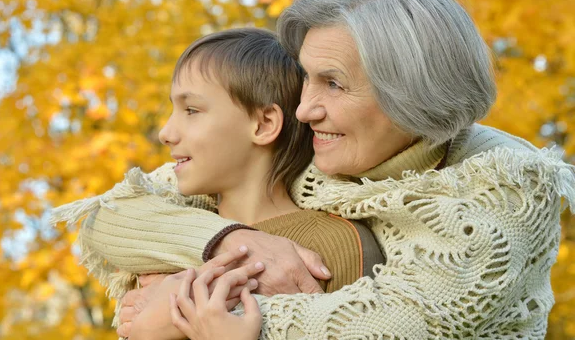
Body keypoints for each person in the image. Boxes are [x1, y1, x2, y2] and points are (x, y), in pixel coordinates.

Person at [60, 0, 574, 339]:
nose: (304, 108)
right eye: (306, 77)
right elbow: (113, 214)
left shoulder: (506, 180)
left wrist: (185, 311)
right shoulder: (320, 145)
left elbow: (411, 321)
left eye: (333, 83)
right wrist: (234, 241)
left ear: (410, 94)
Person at [52, 28, 383, 339]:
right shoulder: (167, 245)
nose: (165, 133)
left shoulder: (334, 246)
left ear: (264, 124)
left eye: (191, 110)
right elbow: (100, 217)